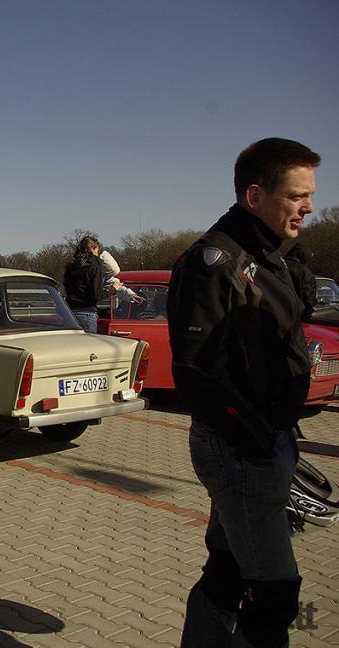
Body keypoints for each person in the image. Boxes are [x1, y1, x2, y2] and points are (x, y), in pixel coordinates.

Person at [168, 137, 319, 648]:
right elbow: (196, 372)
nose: (308, 206)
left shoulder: (269, 256)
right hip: (240, 449)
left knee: (228, 571)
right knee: (274, 595)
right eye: (296, 195)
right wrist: (257, 441)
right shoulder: (215, 261)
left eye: (310, 195)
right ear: (255, 196)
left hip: (263, 440)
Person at [63, 235, 103, 332]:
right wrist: (113, 290)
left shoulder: (72, 265)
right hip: (87, 311)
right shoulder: (94, 265)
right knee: (88, 341)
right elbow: (96, 295)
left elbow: (66, 287)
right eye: (97, 251)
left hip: (70, 312)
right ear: (93, 249)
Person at [283, 242, 317, 321]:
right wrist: (307, 316)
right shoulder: (304, 272)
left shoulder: (276, 265)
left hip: (274, 315)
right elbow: (309, 298)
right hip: (296, 318)